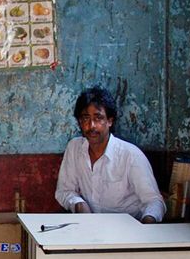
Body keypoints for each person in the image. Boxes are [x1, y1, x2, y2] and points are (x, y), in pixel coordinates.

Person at [55, 86, 165, 225]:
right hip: (88, 229)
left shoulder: (131, 156)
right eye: (85, 118)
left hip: (126, 234)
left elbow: (154, 201)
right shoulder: (74, 148)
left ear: (110, 121)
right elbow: (64, 191)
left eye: (98, 118)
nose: (91, 126)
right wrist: (79, 204)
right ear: (79, 122)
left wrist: (145, 227)